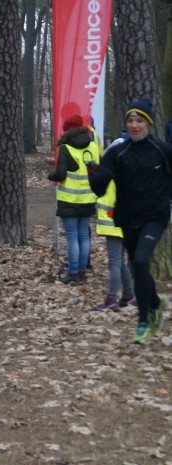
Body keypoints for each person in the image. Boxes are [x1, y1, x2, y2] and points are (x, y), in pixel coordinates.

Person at [90, 98, 172, 344]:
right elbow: (100, 186)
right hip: (127, 218)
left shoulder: (163, 151)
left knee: (139, 260)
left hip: (155, 217)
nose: (135, 125)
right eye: (130, 120)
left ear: (148, 123)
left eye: (140, 121)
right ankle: (156, 303)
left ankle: (143, 321)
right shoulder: (117, 152)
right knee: (139, 268)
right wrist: (93, 174)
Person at [47, 115, 99, 284]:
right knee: (84, 235)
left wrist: (51, 175)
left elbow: (61, 175)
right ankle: (82, 271)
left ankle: (73, 272)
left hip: (69, 199)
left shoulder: (65, 148)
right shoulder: (93, 146)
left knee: (72, 236)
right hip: (88, 197)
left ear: (68, 130)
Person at [91, 137, 135, 312]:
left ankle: (111, 299)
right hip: (126, 222)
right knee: (121, 261)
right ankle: (129, 294)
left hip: (112, 222)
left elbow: (100, 189)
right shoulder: (130, 173)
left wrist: (94, 174)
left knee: (115, 262)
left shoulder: (111, 173)